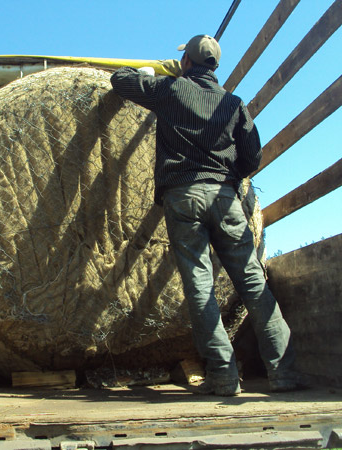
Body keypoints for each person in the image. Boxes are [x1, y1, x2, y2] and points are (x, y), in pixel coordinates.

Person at [110, 35, 298, 396]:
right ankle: (284, 373)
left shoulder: (170, 90)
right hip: (225, 199)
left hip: (183, 197)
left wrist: (149, 71)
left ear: (187, 63)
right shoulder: (233, 104)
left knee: (199, 286)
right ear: (214, 65)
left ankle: (223, 376)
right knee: (253, 282)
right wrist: (230, 180)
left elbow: (120, 80)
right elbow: (252, 156)